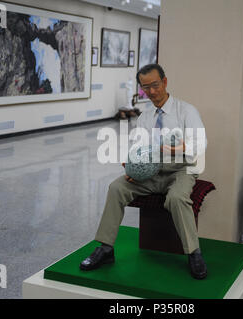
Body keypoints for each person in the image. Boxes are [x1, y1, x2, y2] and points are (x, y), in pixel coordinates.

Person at [80, 64, 208, 279]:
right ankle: (105, 248)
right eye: (145, 87)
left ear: (165, 82)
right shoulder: (145, 116)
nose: (151, 92)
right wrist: (131, 166)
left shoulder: (186, 111)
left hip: (181, 170)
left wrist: (177, 148)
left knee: (176, 198)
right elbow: (138, 147)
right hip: (151, 170)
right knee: (116, 187)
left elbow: (201, 143)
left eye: (155, 85)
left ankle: (194, 253)